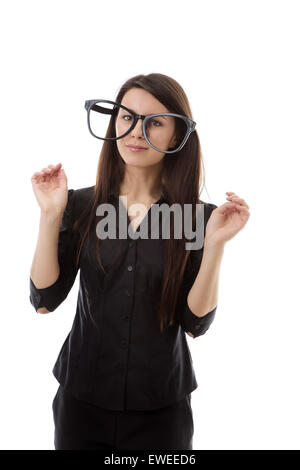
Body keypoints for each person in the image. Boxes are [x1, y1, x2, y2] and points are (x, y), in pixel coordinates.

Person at [29, 73, 250, 450]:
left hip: (162, 410)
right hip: (81, 404)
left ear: (177, 136)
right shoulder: (81, 206)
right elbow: (44, 299)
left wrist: (214, 247)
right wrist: (51, 215)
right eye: (127, 117)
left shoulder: (198, 219)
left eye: (155, 122)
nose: (135, 131)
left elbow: (195, 323)